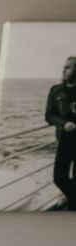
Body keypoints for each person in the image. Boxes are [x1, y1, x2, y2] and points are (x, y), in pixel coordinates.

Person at [46, 56, 76, 210]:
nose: (64, 70)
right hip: (65, 140)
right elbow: (49, 115)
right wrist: (64, 124)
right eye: (64, 67)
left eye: (68, 67)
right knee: (59, 178)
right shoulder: (55, 90)